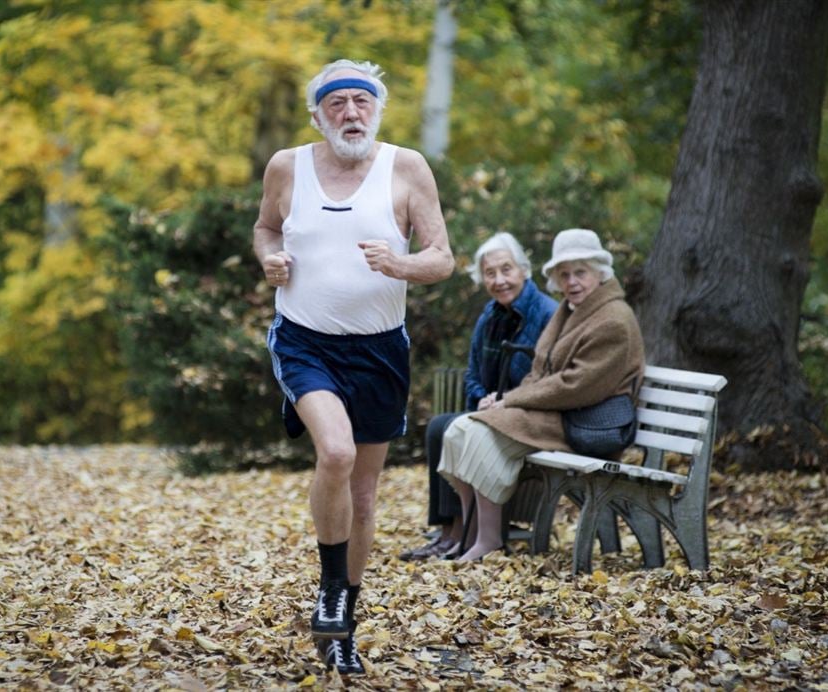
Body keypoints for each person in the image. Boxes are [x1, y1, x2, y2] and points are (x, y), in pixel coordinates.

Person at [253, 58, 453, 675]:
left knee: (364, 499)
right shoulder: (288, 166)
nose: (350, 113)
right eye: (336, 103)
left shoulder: (406, 167)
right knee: (335, 453)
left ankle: (344, 626)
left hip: (380, 350)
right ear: (318, 114)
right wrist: (270, 258)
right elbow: (264, 228)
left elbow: (442, 258)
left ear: (377, 110)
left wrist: (400, 265)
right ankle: (330, 592)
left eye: (360, 102)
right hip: (305, 340)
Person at [436, 228, 645, 562]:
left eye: (580, 272)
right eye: (564, 274)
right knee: (458, 431)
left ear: (600, 273)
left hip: (586, 422)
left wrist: (511, 401)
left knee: (474, 431)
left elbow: (576, 385)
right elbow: (540, 369)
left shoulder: (613, 320)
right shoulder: (571, 309)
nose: (572, 281)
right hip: (558, 413)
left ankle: (488, 540)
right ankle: (476, 535)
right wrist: (501, 400)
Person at [398, 232, 556, 561]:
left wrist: (506, 398)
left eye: (506, 270)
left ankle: (463, 532)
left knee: (451, 428)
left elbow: (547, 378)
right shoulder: (489, 316)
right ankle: (449, 531)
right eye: (490, 273)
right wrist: (482, 395)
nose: (499, 280)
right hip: (492, 408)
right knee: (439, 426)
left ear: (524, 270)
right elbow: (472, 373)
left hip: (526, 412)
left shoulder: (545, 314)